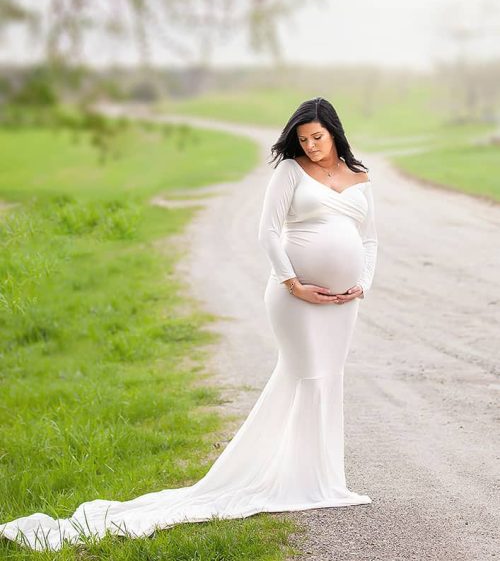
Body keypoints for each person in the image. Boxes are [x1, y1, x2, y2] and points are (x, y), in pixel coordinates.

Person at [0, 97, 377, 551]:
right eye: (302, 139)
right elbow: (267, 233)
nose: (311, 146)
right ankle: (296, 481)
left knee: (328, 379)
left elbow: (370, 238)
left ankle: (321, 479)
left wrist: (362, 283)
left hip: (344, 302)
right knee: (308, 376)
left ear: (334, 131)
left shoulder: (360, 177)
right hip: (294, 297)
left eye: (317, 137)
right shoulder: (290, 172)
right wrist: (293, 283)